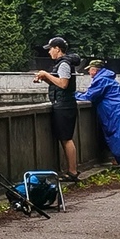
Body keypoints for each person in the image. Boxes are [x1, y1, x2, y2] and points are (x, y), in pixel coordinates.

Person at [78, 59, 120, 172]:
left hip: (116, 111)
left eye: (89, 70)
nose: (88, 72)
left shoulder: (101, 80)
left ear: (95, 70)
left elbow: (89, 96)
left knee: (119, 135)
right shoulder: (107, 78)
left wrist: (73, 95)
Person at [31, 37, 80, 181]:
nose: (49, 52)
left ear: (57, 49)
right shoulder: (61, 64)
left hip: (64, 106)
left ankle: (72, 172)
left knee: (66, 139)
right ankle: (71, 171)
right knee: (65, 138)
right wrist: (45, 78)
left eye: (50, 49)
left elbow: (63, 84)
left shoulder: (64, 64)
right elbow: (57, 83)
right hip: (63, 104)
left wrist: (46, 74)